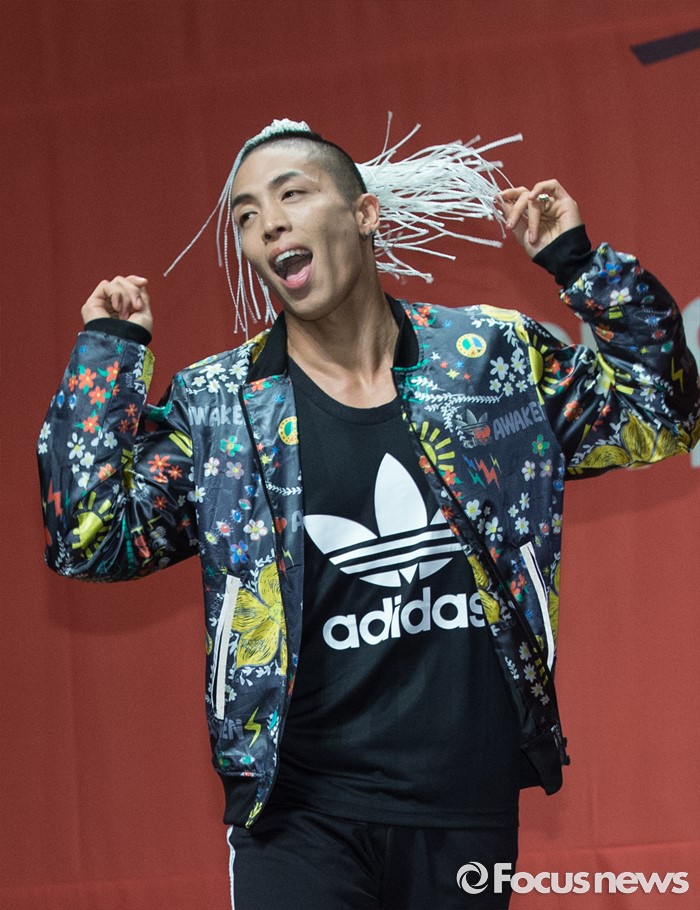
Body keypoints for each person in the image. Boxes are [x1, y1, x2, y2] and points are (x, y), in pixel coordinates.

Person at [38, 119, 700, 910]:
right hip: (298, 812)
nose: (268, 224)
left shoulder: (486, 359)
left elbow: (662, 413)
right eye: (246, 216)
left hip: (463, 804)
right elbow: (90, 540)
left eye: (291, 195)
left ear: (365, 214)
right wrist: (107, 356)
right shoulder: (219, 406)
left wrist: (579, 264)